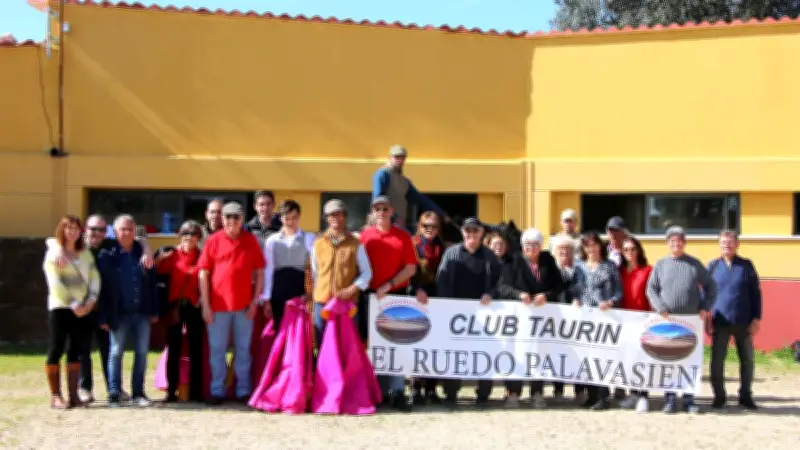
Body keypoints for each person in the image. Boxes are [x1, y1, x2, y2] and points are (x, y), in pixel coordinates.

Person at [46, 213, 150, 403]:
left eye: (102, 229)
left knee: (108, 349)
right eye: (93, 229)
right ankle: (84, 389)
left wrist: (147, 249)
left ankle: (114, 389)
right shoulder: (79, 247)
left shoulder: (110, 245)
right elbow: (53, 241)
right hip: (81, 307)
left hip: (104, 307)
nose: (97, 233)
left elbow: (138, 237)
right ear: (86, 230)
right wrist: (58, 247)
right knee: (82, 349)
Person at [198, 202, 266, 405]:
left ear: (242, 219)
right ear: (223, 219)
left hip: (244, 306)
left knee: (243, 350)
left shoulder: (250, 240)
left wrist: (255, 301)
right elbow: (203, 273)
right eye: (228, 217)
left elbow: (260, 272)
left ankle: (243, 390)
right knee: (217, 350)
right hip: (217, 307)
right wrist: (206, 305)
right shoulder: (213, 240)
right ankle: (217, 390)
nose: (232, 221)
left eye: (236, 217)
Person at [646, 226, 716, 414]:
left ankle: (688, 400)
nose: (676, 244)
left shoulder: (694, 264)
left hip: (691, 322)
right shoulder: (661, 265)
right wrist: (660, 306)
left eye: (679, 241)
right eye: (672, 241)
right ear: (667, 243)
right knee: (669, 361)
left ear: (684, 243)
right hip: (667, 321)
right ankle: (669, 400)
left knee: (688, 361)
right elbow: (651, 289)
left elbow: (711, 286)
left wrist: (705, 307)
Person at [435, 217, 502, 409]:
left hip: (483, 314)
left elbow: (501, 282)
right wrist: (446, 304)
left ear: (481, 233)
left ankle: (483, 393)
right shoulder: (451, 253)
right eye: (468, 231)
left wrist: (491, 294)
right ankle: (451, 392)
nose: (471, 234)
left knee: (483, 352)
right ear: (463, 233)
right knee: (454, 352)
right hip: (455, 314)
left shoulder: (489, 256)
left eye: (475, 231)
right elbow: (441, 279)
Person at [360, 196, 419, 411]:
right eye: (378, 209)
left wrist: (390, 284)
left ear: (392, 211)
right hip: (370, 297)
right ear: (373, 212)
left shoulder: (403, 236)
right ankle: (377, 391)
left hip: (395, 295)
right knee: (372, 346)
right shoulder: (365, 236)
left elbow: (411, 268)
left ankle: (397, 391)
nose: (382, 212)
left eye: (385, 209)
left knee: (395, 344)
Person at [97, 215, 160, 408]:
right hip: (119, 313)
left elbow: (152, 283)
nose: (126, 233)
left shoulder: (143, 253)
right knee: (115, 353)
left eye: (130, 229)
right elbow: (102, 289)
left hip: (142, 312)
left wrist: (154, 309)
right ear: (115, 232)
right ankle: (114, 394)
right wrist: (103, 316)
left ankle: (138, 393)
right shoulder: (107, 255)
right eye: (122, 229)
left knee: (141, 353)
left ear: (134, 231)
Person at [497, 228, 564, 409]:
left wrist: (546, 296)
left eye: (535, 244)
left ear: (541, 246)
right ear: (522, 245)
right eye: (527, 244)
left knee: (539, 353)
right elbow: (502, 286)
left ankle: (537, 393)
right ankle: (513, 393)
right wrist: (518, 294)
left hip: (542, 318)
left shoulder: (548, 260)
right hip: (519, 318)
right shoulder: (512, 261)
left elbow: (559, 285)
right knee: (517, 352)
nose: (531, 248)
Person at [43, 216, 100, 409]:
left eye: (76, 228)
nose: (73, 231)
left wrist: (91, 299)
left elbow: (94, 276)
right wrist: (73, 303)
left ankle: (74, 395)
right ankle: (56, 396)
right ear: (62, 230)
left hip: (83, 307)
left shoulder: (85, 253)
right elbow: (55, 281)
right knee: (56, 347)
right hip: (61, 307)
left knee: (76, 349)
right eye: (69, 228)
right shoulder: (54, 253)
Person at [708, 230, 761, 410]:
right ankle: (719, 396)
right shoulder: (713, 266)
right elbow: (706, 294)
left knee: (747, 360)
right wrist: (707, 318)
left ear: (737, 244)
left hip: (743, 321)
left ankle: (745, 395)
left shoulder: (746, 265)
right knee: (717, 360)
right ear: (719, 245)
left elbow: (756, 293)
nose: (727, 245)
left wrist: (756, 318)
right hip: (720, 321)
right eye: (723, 242)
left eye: (730, 242)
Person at [154, 220, 204, 403]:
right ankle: (171, 390)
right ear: (179, 236)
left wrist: (202, 299)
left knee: (196, 350)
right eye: (185, 234)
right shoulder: (171, 255)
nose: (189, 237)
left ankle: (196, 392)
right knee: (173, 349)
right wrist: (158, 260)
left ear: (199, 237)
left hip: (194, 306)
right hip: (174, 307)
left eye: (193, 234)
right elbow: (155, 275)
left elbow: (209, 279)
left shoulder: (203, 256)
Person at [310, 199, 373, 343]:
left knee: (347, 344)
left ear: (345, 216)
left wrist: (352, 289)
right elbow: (315, 272)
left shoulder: (356, 243)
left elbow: (367, 273)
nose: (336, 218)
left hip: (347, 303)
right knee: (321, 343)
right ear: (326, 218)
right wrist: (316, 294)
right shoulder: (318, 244)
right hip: (322, 303)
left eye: (339, 214)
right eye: (332, 214)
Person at [575, 231, 622, 410]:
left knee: (602, 357)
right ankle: (591, 394)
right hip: (584, 319)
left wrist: (611, 302)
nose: (591, 249)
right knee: (587, 357)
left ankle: (603, 396)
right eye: (587, 246)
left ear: (600, 246)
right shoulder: (579, 266)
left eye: (594, 245)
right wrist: (575, 299)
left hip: (604, 318)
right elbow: (575, 289)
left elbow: (619, 291)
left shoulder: (610, 266)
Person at [409, 211, 446, 405]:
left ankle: (431, 388)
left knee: (435, 344)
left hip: (436, 299)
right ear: (420, 226)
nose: (429, 229)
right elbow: (408, 270)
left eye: (433, 226)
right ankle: (415, 387)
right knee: (417, 341)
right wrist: (417, 289)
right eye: (426, 226)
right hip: (416, 297)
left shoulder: (443, 247)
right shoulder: (412, 244)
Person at [261, 200, 315, 329]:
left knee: (298, 330)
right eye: (287, 218)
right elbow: (268, 270)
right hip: (278, 291)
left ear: (299, 217)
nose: (290, 222)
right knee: (280, 329)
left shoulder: (309, 238)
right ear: (281, 218)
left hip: (299, 290)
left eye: (294, 218)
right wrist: (266, 298)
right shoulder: (272, 240)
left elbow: (315, 268)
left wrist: (312, 291)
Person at [371, 144, 448, 230]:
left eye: (402, 158)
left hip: (399, 224)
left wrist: (441, 213)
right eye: (396, 157)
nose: (399, 160)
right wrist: (394, 217)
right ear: (389, 157)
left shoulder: (404, 181)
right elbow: (378, 200)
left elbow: (421, 199)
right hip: (384, 224)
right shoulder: (382, 174)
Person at [617, 236, 653, 413]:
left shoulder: (648, 270)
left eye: (632, 249)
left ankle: (643, 396)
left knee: (642, 360)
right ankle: (632, 393)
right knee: (628, 359)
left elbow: (652, 295)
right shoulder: (619, 271)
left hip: (643, 320)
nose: (629, 252)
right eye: (626, 250)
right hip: (624, 321)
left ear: (639, 250)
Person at [551, 234, 588, 404]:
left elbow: (583, 289)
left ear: (573, 252)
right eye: (561, 249)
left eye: (568, 249)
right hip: (556, 319)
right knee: (558, 354)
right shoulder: (551, 270)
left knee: (577, 354)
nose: (564, 252)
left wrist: (578, 299)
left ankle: (579, 390)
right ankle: (558, 390)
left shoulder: (580, 271)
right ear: (555, 252)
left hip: (576, 320)